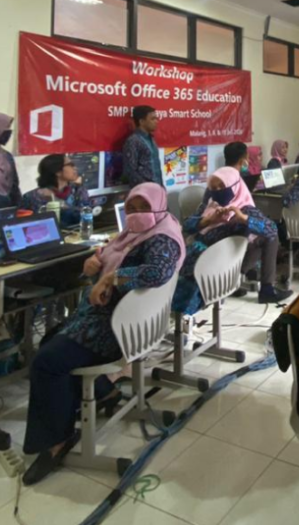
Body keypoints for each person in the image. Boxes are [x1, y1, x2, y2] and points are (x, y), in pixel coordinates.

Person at [22, 183, 185, 485]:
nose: (137, 213)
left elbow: (158, 271)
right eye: (132, 207)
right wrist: (94, 266)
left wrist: (112, 276)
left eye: (144, 207)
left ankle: (57, 441)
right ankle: (104, 391)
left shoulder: (162, 238)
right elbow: (113, 262)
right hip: (113, 317)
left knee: (46, 361)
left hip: (118, 327)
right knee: (49, 342)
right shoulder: (131, 236)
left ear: (160, 207)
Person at [173, 166, 292, 310]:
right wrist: (208, 220)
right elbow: (187, 226)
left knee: (264, 238)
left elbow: (271, 229)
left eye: (222, 186)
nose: (218, 191)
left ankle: (246, 281)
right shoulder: (210, 205)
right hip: (198, 257)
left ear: (235, 186)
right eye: (213, 188)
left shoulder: (246, 209)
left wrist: (243, 218)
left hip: (219, 260)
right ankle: (262, 287)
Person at [21, 154, 91, 225]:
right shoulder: (31, 197)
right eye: (71, 165)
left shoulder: (78, 190)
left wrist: (60, 203)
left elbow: (87, 216)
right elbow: (23, 223)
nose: (75, 168)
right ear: (57, 171)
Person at [122, 105, 164, 187]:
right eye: (152, 119)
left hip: (157, 188)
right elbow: (130, 171)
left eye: (156, 118)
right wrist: (146, 188)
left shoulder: (151, 139)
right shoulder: (133, 141)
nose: (156, 121)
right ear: (141, 121)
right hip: (144, 191)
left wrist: (161, 187)